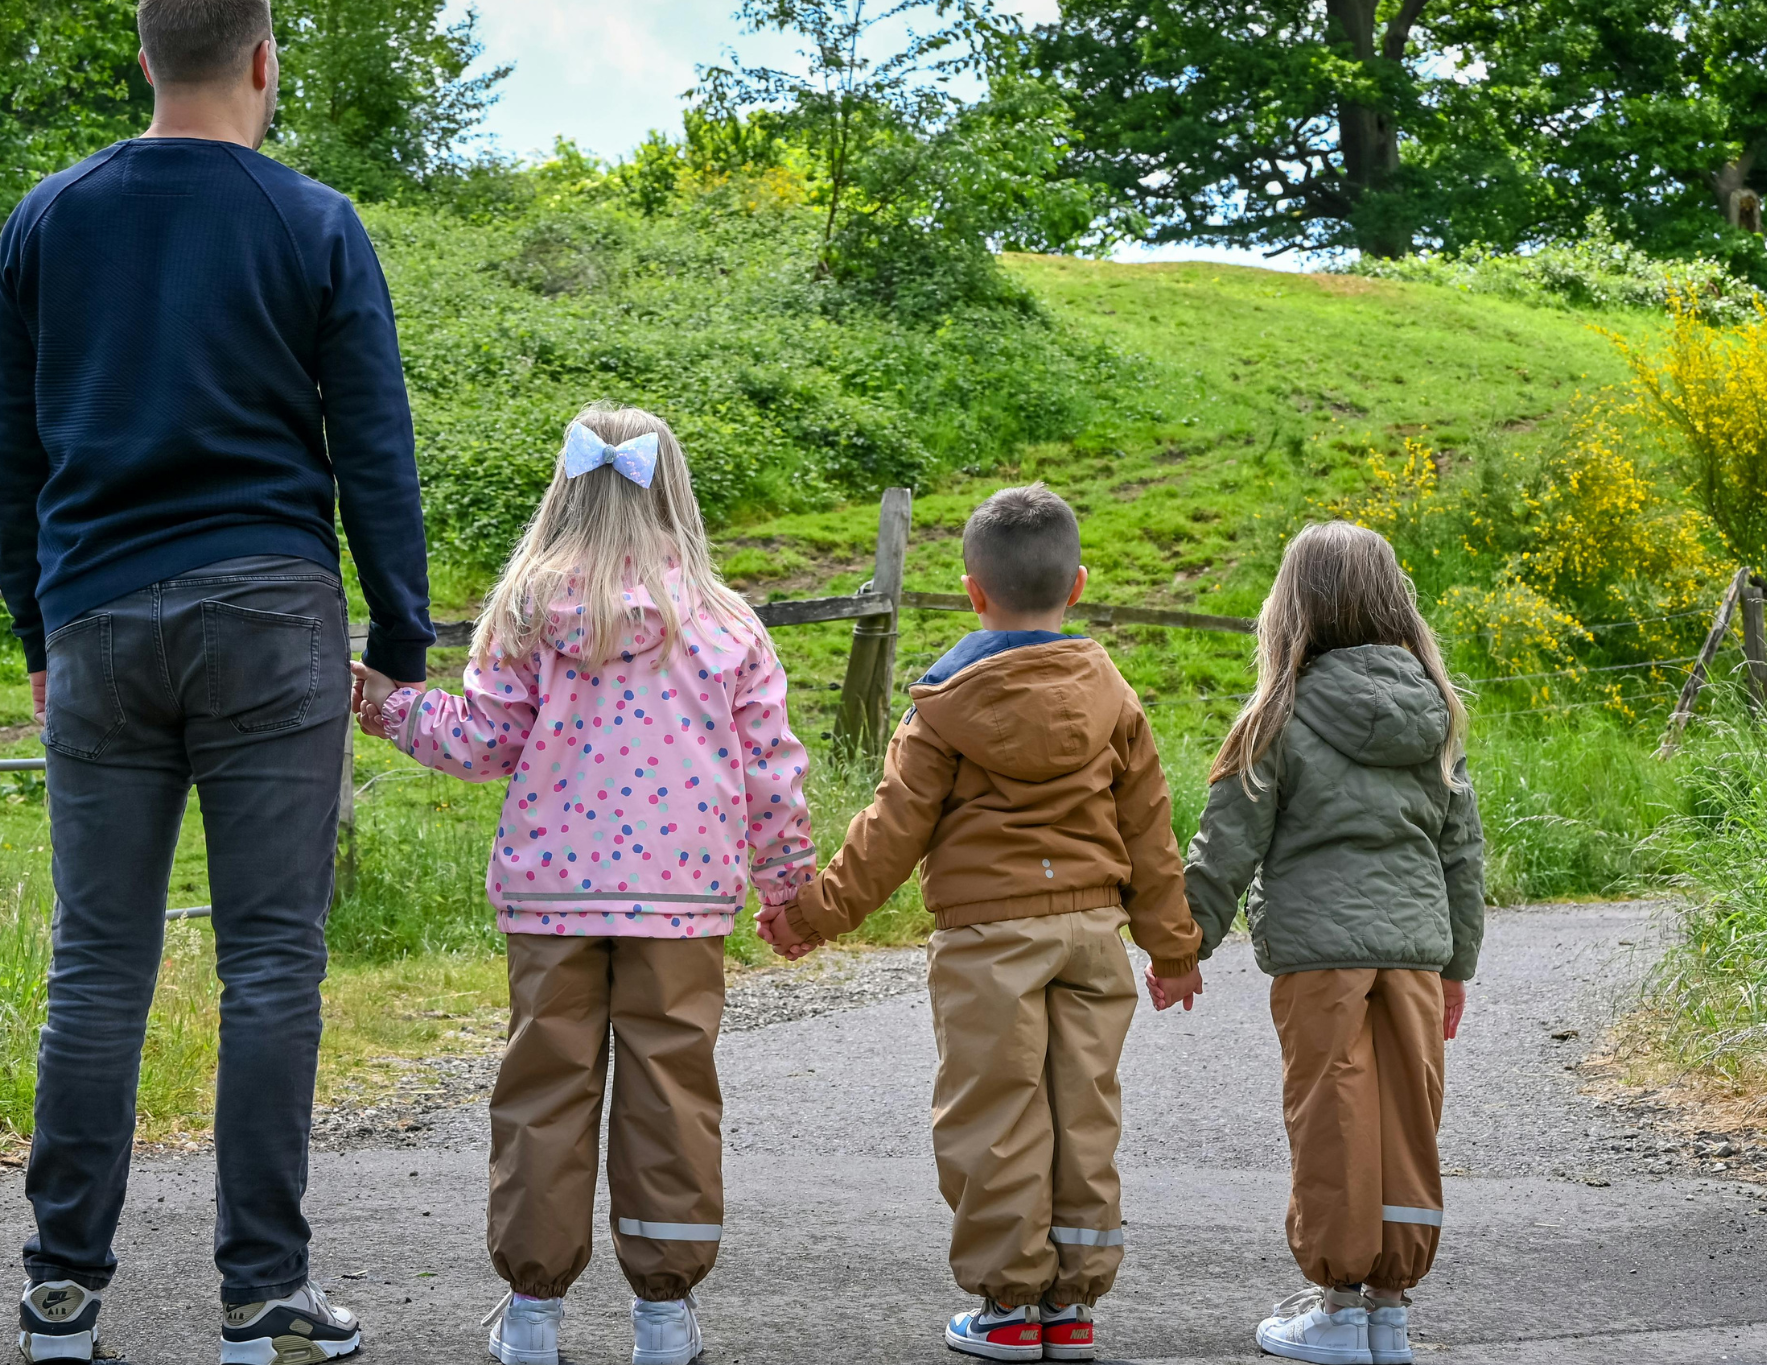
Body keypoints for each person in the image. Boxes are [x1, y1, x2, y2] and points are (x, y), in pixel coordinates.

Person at [0, 1, 432, 1360]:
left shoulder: (48, 220)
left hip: (100, 613)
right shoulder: (313, 224)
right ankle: (260, 1295)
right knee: (273, 962)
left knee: (98, 964)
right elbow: (371, 440)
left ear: (142, 59)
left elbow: (14, 449)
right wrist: (400, 640)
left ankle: (62, 1292)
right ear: (261, 60)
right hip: (268, 612)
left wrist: (41, 639)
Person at [353, 404, 816, 1365]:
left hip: (552, 897)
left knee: (542, 1089)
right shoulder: (729, 625)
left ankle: (531, 1313)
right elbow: (771, 767)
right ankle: (663, 1315)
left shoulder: (528, 609)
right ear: (674, 492)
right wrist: (788, 885)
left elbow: (481, 740)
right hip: (683, 901)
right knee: (673, 1090)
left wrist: (392, 707)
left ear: (566, 491)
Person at [756, 482, 1204, 1363]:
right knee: (1085, 1110)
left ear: (972, 591)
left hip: (987, 940)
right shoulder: (1114, 698)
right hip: (1091, 934)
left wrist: (813, 912)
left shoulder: (943, 710)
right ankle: (1073, 1304)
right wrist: (1174, 949)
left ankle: (1010, 1301)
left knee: (994, 1114)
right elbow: (1151, 835)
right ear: (1075, 587)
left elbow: (888, 835)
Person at [1178, 521, 1485, 1365]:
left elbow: (1227, 841)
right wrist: (1458, 964)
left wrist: (1184, 943)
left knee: (1332, 1117)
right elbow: (1462, 850)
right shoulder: (1436, 711)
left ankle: (1338, 1304)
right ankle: (1390, 1307)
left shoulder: (1277, 714)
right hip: (1417, 958)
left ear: (1293, 608)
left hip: (1321, 960)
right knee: (1407, 1119)